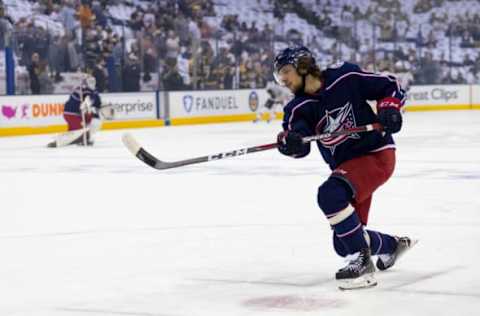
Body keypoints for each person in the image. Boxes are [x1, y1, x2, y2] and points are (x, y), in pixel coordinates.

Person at [274, 46, 416, 290]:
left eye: (286, 71)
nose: (283, 80)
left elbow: (389, 85)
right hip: (348, 169)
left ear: (304, 66)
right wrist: (290, 142)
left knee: (330, 195)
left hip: (376, 154)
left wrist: (389, 108)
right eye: (280, 75)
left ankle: (362, 265)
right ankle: (393, 245)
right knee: (344, 242)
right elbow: (300, 142)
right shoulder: (297, 108)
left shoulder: (345, 77)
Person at [48, 75, 102, 147]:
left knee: (75, 131)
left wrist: (92, 107)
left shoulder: (93, 91)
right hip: (72, 114)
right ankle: (60, 142)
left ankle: (78, 139)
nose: (92, 83)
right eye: (90, 81)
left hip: (77, 114)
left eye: (93, 81)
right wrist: (87, 105)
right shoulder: (83, 89)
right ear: (85, 82)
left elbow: (96, 103)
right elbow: (87, 101)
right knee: (80, 131)